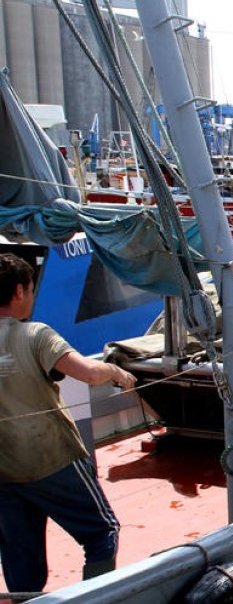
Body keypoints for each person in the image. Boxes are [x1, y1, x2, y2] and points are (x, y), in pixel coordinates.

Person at [0, 253, 137, 593]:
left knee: (21, 556)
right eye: (31, 290)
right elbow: (90, 373)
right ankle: (93, 598)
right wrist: (117, 371)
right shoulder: (35, 334)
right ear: (19, 292)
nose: (31, 297)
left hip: (4, 471)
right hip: (53, 459)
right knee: (102, 531)